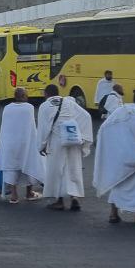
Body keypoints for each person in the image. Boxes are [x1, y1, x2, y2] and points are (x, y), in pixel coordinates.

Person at [93, 90, 135, 225]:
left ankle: (113, 213)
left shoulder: (120, 111)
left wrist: (106, 144)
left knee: (118, 182)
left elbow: (105, 128)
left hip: (121, 156)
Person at [36, 84, 93, 212]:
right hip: (73, 139)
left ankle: (59, 201)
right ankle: (74, 198)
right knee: (73, 169)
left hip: (56, 142)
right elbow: (86, 116)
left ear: (46, 94)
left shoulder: (45, 106)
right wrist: (83, 137)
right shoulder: (69, 102)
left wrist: (41, 146)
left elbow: (43, 128)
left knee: (57, 171)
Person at [0, 88, 45, 203]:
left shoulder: (7, 108)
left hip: (9, 143)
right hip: (25, 142)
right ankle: (29, 193)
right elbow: (31, 127)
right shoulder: (29, 108)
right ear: (24, 96)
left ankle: (14, 195)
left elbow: (5, 127)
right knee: (29, 165)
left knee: (11, 167)